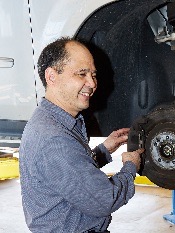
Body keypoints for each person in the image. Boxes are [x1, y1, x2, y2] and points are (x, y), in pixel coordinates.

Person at [19, 37, 143, 233]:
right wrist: (130, 166)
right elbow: (105, 200)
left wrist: (104, 151)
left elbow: (70, 174)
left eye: (93, 74)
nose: (92, 83)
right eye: (81, 74)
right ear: (52, 76)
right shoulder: (55, 139)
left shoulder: (55, 120)